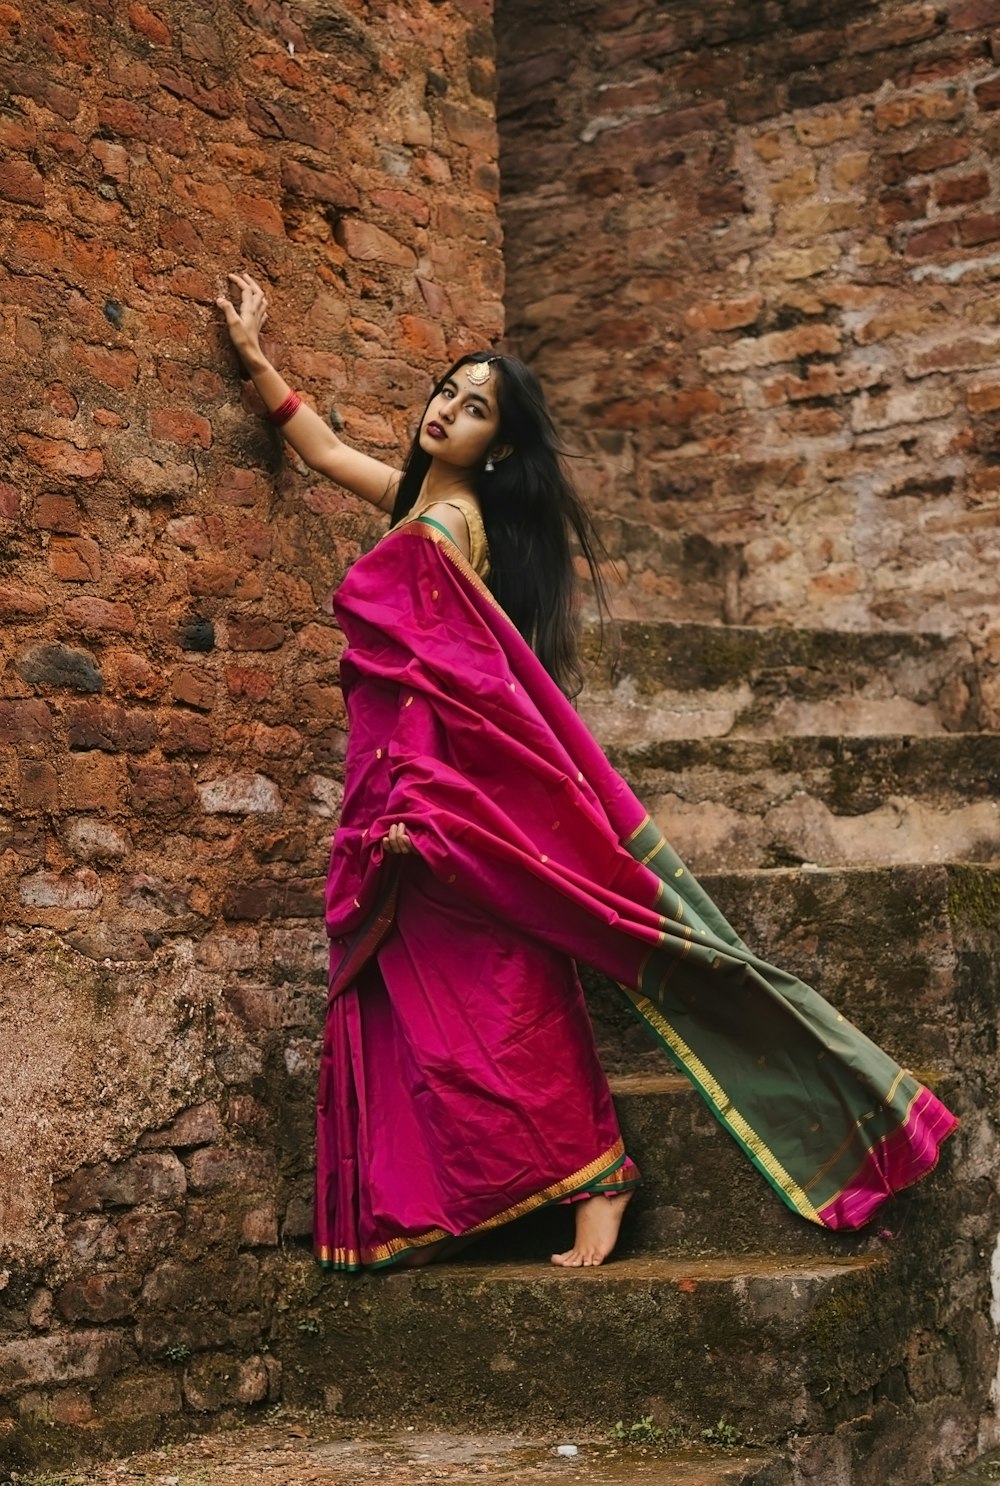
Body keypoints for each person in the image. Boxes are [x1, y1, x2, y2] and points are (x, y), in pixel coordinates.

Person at [216, 272, 958, 1273]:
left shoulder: (452, 530)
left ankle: (599, 1178)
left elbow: (453, 688)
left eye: (475, 407)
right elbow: (320, 449)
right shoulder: (412, 502)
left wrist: (415, 805)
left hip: (425, 795)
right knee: (424, 1004)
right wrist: (256, 356)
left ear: (502, 446)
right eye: (447, 389)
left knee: (500, 982)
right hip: (385, 788)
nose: (446, 409)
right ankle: (450, 1196)